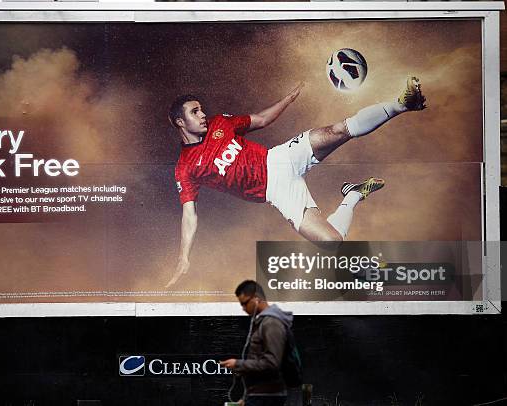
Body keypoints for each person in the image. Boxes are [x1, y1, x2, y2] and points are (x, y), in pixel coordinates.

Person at [166, 77, 426, 288]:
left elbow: (261, 119)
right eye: (195, 111)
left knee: (337, 130)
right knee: (332, 241)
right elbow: (189, 213)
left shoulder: (219, 123)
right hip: (277, 191)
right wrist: (183, 256)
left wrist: (288, 99)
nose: (203, 114)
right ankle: (353, 195)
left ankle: (402, 104)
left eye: (201, 109)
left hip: (281, 157)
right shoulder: (186, 167)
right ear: (180, 122)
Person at [220, 280, 293, 406]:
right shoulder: (263, 322)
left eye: (245, 303)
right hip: (259, 395)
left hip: (266, 397)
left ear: (256, 299)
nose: (243, 308)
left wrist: (239, 364)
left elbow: (272, 362)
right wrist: (247, 397)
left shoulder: (271, 323)